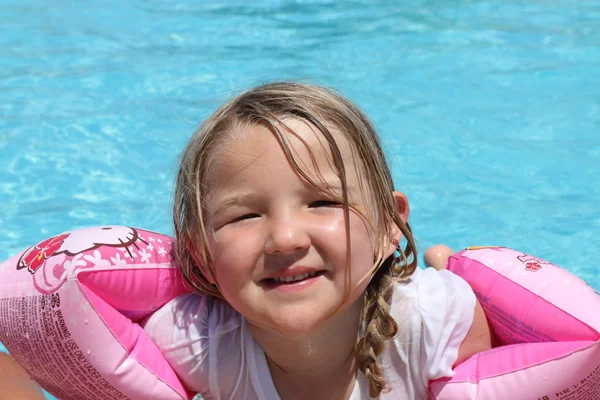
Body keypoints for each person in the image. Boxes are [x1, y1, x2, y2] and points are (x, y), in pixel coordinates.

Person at [143, 82, 491, 399]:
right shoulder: (191, 344)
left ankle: (443, 260)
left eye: (323, 203)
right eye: (244, 216)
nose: (285, 238)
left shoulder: (439, 321)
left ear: (388, 224)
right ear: (199, 253)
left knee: (449, 269)